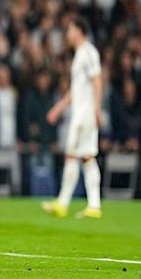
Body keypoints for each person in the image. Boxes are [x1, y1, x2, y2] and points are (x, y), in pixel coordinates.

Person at [42, 16, 103, 219]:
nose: (67, 34)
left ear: (79, 30)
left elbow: (97, 80)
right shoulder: (81, 54)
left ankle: (64, 203)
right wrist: (58, 109)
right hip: (82, 112)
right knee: (85, 156)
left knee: (75, 155)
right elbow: (76, 90)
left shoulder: (88, 52)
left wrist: (97, 109)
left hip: (85, 114)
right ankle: (92, 205)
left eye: (70, 30)